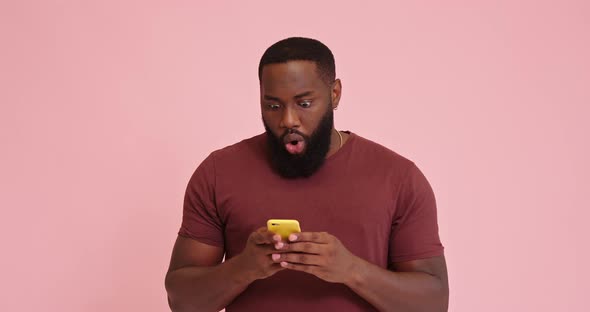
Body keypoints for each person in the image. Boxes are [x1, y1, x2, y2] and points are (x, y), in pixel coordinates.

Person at [165, 37, 448, 312]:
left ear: (334, 94)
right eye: (273, 106)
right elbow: (182, 302)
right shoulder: (218, 173)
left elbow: (433, 303)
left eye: (304, 103)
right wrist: (244, 267)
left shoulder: (398, 177)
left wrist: (351, 269)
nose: (288, 119)